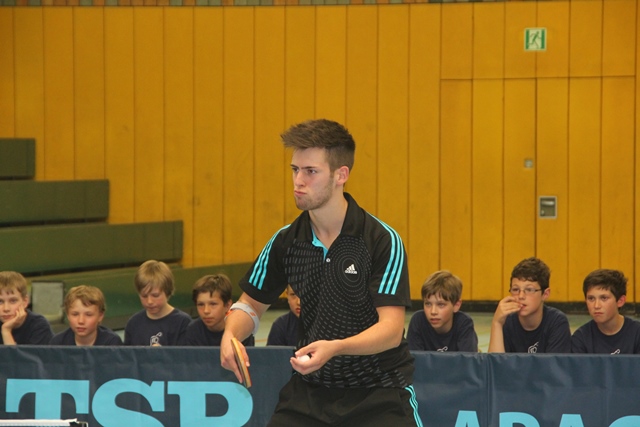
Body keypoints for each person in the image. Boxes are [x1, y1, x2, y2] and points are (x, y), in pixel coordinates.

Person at [221, 119, 422, 427]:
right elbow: (249, 304)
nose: (298, 181)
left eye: (310, 171)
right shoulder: (286, 241)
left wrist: (336, 347)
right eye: (294, 170)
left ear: (341, 175)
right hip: (310, 392)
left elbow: (391, 330)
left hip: (378, 391)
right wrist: (231, 334)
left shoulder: (381, 240)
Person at [488, 257, 571, 353]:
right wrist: (497, 323)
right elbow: (495, 362)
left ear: (545, 294)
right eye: (515, 289)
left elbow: (554, 362)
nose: (521, 296)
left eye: (529, 290)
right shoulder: (506, 321)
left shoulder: (556, 322)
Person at [571, 269, 640, 354]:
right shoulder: (580, 338)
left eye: (604, 298)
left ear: (620, 301)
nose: (596, 306)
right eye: (591, 298)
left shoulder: (637, 334)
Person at [406, 270, 478, 352]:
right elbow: (413, 358)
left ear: (456, 305)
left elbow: (468, 359)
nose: (433, 311)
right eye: (428, 304)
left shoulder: (464, 323)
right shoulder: (418, 321)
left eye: (441, 305)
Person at [124, 260, 191, 346]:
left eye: (155, 295)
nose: (149, 301)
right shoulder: (133, 323)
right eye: (144, 296)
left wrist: (162, 352)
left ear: (167, 292)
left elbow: (186, 354)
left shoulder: (183, 323)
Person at [182, 274, 254, 346]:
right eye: (201, 304)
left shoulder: (241, 329)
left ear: (227, 305)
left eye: (213, 304)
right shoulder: (193, 330)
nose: (206, 311)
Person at [50, 285, 122, 346]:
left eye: (88, 315)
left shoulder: (111, 343)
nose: (81, 321)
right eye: (75, 314)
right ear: (67, 315)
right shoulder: (58, 343)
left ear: (100, 316)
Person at [0, 271, 53, 345]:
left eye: (13, 301)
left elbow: (12, 353)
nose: (6, 309)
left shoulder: (39, 326)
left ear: (25, 302)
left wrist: (6, 331)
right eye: (0, 302)